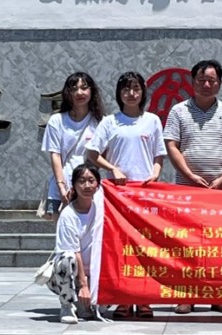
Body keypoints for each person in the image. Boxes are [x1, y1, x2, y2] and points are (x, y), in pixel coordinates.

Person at [164, 59, 222, 315]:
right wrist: (188, 174)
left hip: (221, 192)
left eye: (212, 80)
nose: (206, 85)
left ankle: (218, 295)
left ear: (219, 83)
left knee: (218, 245)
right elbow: (171, 145)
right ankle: (186, 295)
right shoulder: (178, 111)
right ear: (193, 82)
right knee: (186, 244)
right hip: (186, 190)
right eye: (201, 80)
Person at [86, 71, 165, 319]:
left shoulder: (152, 121)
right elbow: (92, 154)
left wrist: (155, 174)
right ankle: (123, 299)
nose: (131, 94)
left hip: (145, 195)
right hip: (118, 196)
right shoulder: (110, 122)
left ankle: (144, 299)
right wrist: (113, 168)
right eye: (126, 89)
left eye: (136, 89)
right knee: (121, 248)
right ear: (119, 94)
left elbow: (159, 155)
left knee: (146, 248)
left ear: (143, 92)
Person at [41, 72, 104, 221]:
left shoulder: (101, 122)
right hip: (61, 184)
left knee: (90, 227)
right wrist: (61, 186)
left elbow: (104, 154)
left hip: (89, 185)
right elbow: (55, 155)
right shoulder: (57, 121)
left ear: (92, 91)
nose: (79, 93)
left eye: (84, 88)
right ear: (67, 93)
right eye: (74, 89)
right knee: (60, 227)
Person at [46, 163, 102, 324]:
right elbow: (74, 251)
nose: (87, 185)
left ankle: (86, 303)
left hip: (95, 273)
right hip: (72, 274)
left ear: (98, 185)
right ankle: (67, 304)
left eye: (91, 180)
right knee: (67, 257)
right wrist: (83, 285)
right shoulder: (68, 215)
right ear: (74, 186)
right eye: (81, 181)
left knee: (89, 313)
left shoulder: (102, 209)